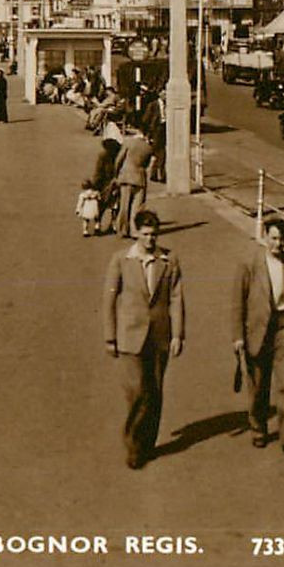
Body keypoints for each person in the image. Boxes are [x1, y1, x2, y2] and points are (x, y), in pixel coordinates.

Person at [101, 209, 186, 470]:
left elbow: (176, 298)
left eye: (154, 235)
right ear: (136, 233)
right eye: (145, 234)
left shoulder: (169, 260)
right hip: (129, 336)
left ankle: (148, 443)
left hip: (159, 335)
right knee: (137, 391)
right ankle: (134, 444)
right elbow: (109, 299)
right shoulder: (121, 259)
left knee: (156, 391)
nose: (150, 240)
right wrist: (110, 336)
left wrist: (177, 334)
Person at [231, 218, 284, 459]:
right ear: (265, 236)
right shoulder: (249, 263)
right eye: (274, 238)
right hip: (256, 330)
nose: (278, 244)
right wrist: (237, 336)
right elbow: (238, 302)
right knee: (258, 384)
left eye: (282, 239)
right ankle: (258, 428)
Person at [113, 127, 154, 238]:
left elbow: (119, 159)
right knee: (137, 207)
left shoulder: (129, 143)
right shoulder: (148, 148)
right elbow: (147, 165)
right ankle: (134, 230)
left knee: (124, 205)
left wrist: (116, 174)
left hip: (126, 176)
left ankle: (122, 229)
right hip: (140, 178)